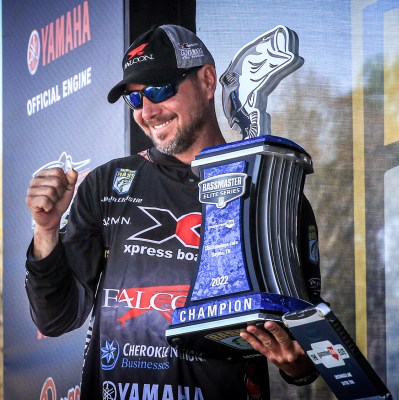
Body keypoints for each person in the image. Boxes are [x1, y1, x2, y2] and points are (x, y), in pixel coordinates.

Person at [25, 24, 321, 399]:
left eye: (160, 88)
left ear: (207, 81)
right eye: (135, 98)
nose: (148, 110)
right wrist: (46, 230)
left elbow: (307, 347)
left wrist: (295, 363)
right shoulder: (106, 185)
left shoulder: (270, 192)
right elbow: (55, 318)